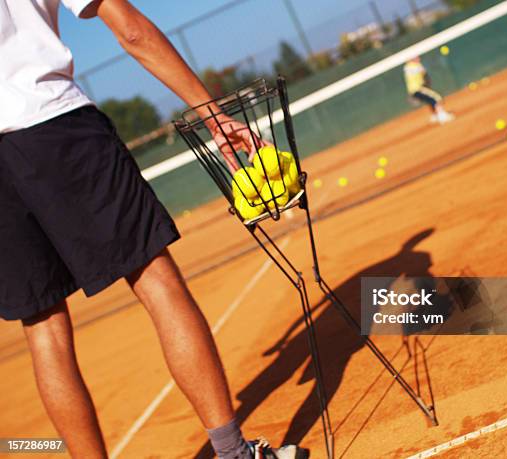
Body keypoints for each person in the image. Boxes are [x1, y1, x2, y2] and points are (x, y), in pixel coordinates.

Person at [0, 1, 307, 458]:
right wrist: (213, 115)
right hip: (54, 126)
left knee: (43, 328)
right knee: (155, 279)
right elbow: (131, 31)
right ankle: (233, 453)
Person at [403, 57, 455, 124]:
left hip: (413, 90)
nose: (418, 58)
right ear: (412, 59)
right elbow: (424, 74)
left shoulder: (407, 67)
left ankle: (435, 116)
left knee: (430, 100)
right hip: (419, 88)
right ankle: (442, 116)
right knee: (436, 98)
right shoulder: (417, 66)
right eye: (416, 57)